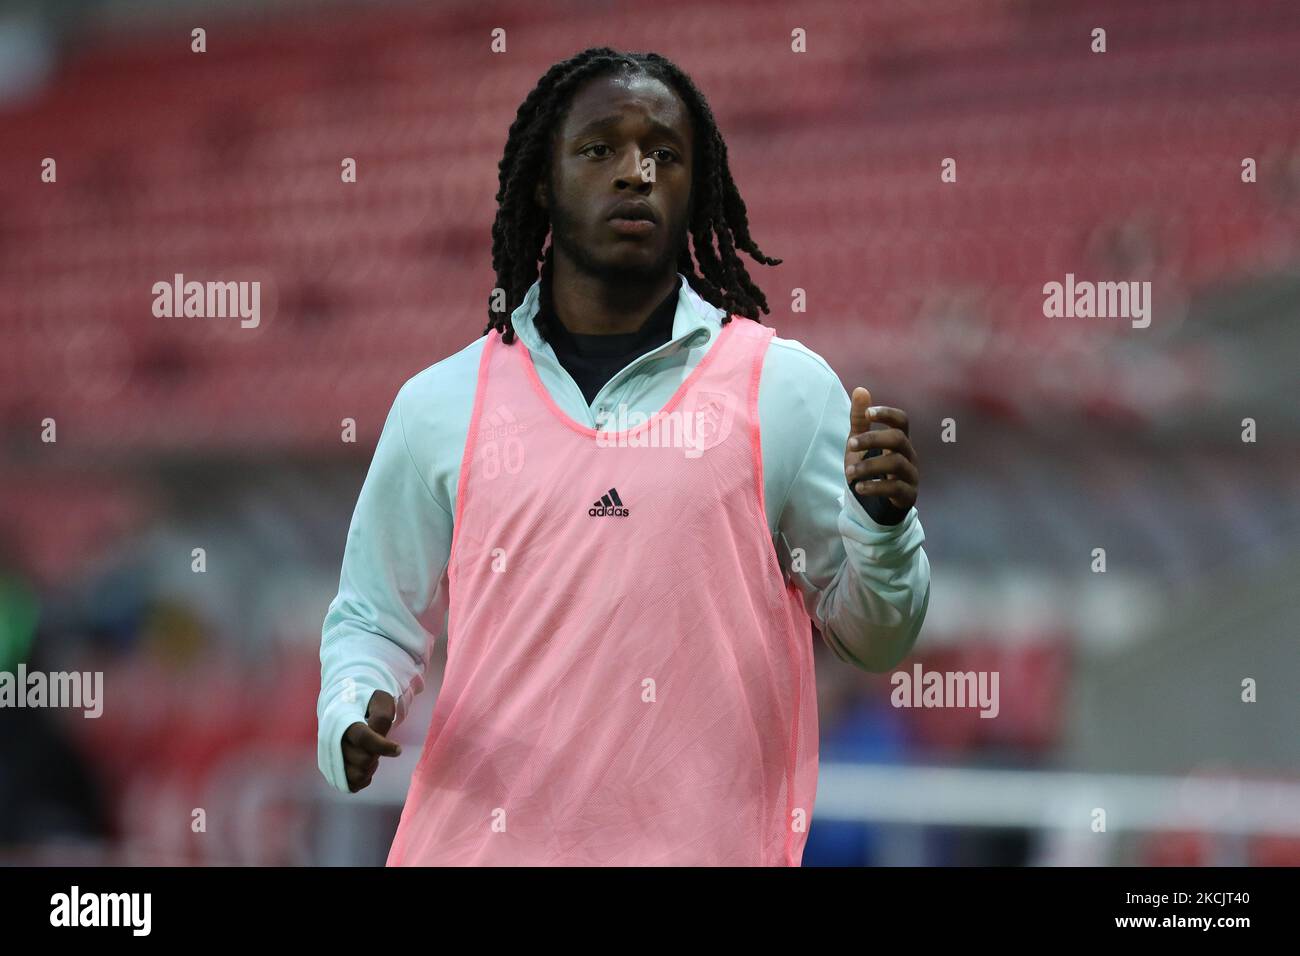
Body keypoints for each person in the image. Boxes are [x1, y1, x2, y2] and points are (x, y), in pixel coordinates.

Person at [316, 47, 930, 866]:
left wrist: (884, 532)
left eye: (664, 155)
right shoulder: (441, 403)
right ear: (543, 179)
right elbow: (372, 617)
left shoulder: (783, 388)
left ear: (695, 184)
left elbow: (876, 640)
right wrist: (354, 707)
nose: (635, 172)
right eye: (601, 149)